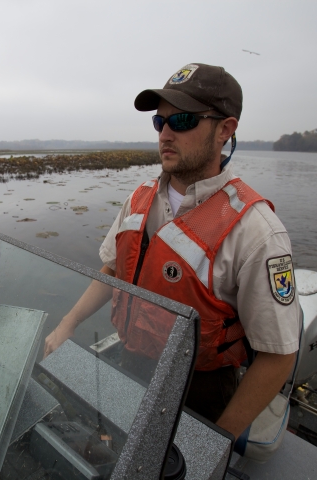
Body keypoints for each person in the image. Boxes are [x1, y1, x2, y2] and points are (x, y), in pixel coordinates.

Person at [44, 63, 300, 440]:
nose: (165, 133)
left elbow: (278, 356)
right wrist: (68, 323)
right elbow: (113, 270)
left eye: (181, 120)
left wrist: (216, 440)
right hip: (133, 360)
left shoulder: (258, 232)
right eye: (159, 122)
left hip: (200, 389)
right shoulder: (139, 198)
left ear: (224, 130)